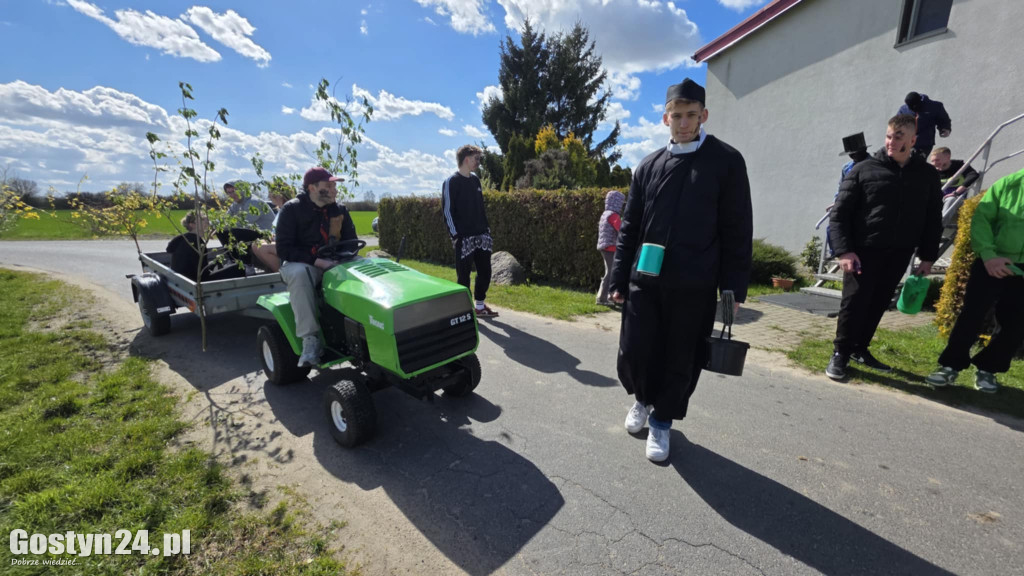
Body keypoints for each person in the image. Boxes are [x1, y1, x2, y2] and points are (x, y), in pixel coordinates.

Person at [609, 78, 753, 463]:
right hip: (646, 280)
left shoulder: (727, 162)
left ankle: (662, 421)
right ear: (664, 118)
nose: (684, 123)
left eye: (692, 115)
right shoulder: (648, 166)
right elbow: (631, 228)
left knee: (680, 356)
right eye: (677, 115)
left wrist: (732, 292)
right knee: (637, 348)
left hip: (695, 284)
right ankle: (641, 399)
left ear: (703, 115)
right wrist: (618, 278)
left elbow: (737, 231)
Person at [826, 114, 943, 380]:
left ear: (913, 140)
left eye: (898, 137)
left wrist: (927, 256)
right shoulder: (864, 169)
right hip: (863, 252)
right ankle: (840, 353)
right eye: (889, 136)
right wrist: (844, 251)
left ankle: (860, 348)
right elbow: (840, 214)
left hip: (899, 251)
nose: (891, 142)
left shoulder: (926, 175)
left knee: (878, 303)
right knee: (854, 303)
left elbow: (932, 218)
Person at [925, 167, 1024, 393]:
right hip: (992, 261)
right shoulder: (1009, 183)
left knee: (1017, 324)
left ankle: (988, 368)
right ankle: (950, 366)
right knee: (971, 316)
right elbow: (982, 219)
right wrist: (989, 256)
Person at [276, 167, 358, 367]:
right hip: (302, 262)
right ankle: (310, 340)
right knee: (300, 275)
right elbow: (284, 249)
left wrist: (342, 257)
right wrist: (317, 261)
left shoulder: (339, 210)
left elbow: (352, 242)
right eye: (328, 185)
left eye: (334, 186)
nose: (334, 190)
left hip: (335, 258)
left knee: (370, 266)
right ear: (312, 188)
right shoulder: (291, 210)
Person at [442, 144, 498, 318]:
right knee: (463, 277)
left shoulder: (475, 180)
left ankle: (479, 307)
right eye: (476, 159)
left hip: (482, 235)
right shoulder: (451, 182)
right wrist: (455, 236)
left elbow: (480, 207)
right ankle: (465, 311)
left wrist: (486, 229)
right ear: (466, 159)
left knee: (485, 272)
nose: (478, 163)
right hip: (463, 238)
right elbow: (447, 211)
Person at [825, 133, 872, 256]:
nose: (852, 156)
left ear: (864, 150)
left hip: (866, 208)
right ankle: (837, 253)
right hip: (848, 205)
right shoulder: (847, 168)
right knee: (832, 229)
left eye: (855, 153)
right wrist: (837, 202)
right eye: (850, 153)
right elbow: (841, 188)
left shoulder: (874, 165)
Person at [166, 212, 245, 282]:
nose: (206, 218)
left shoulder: (185, 238)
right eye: (202, 218)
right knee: (240, 268)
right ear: (192, 224)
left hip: (185, 279)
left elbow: (198, 267)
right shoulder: (197, 242)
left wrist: (213, 264)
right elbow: (203, 275)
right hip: (195, 281)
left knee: (217, 261)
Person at [252, 181, 297, 273]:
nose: (268, 196)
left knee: (262, 248)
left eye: (271, 192)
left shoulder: (291, 209)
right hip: (279, 241)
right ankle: (273, 270)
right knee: (256, 244)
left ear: (279, 194)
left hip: (291, 246)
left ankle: (282, 274)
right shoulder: (280, 210)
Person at [595, 190, 625, 306]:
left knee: (610, 271)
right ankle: (602, 298)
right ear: (616, 202)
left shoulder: (605, 213)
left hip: (604, 246)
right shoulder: (613, 215)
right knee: (611, 273)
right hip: (610, 247)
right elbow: (621, 229)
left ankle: (608, 296)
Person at [898, 92, 951, 156]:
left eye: (914, 107)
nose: (913, 109)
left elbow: (943, 120)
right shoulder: (903, 110)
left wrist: (945, 129)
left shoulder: (935, 107)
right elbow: (897, 124)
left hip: (924, 143)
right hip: (907, 142)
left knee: (918, 162)